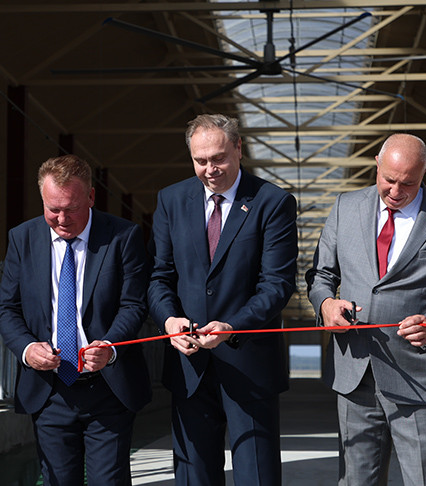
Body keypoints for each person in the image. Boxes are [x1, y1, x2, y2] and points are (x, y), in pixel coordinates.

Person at [306, 133, 426, 485]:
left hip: (416, 375)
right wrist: (325, 304)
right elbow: (321, 274)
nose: (396, 191)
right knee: (357, 480)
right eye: (389, 180)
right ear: (376, 165)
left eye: (408, 183)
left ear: (425, 172)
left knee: (424, 480)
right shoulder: (345, 207)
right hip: (355, 373)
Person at [148, 114, 298, 485]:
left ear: (239, 149)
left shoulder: (273, 202)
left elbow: (277, 284)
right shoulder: (171, 200)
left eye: (219, 158)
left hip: (249, 365)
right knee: (193, 476)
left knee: (256, 476)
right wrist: (169, 321)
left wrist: (233, 326)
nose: (210, 169)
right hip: (188, 366)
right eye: (201, 161)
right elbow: (159, 277)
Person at [0, 154, 152, 486]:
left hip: (108, 388)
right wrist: (27, 349)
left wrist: (110, 346)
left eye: (72, 208)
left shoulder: (123, 237)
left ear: (91, 197)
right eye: (53, 209)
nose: (62, 218)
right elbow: (6, 309)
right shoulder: (22, 239)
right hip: (50, 391)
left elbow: (134, 305)